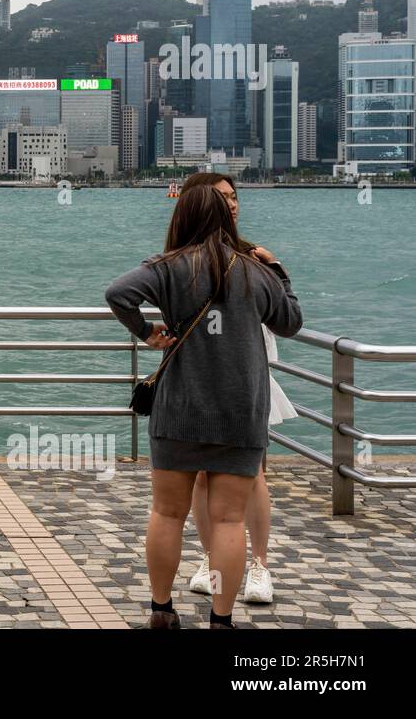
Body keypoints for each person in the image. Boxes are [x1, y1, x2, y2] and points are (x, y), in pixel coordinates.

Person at [105, 184, 301, 628]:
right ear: (227, 218)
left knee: (166, 513)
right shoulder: (255, 271)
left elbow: (118, 292)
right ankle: (221, 618)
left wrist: (146, 332)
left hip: (179, 410)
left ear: (182, 217)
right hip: (240, 411)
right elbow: (290, 322)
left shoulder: (168, 268)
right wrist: (280, 271)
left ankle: (161, 610)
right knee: (230, 520)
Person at [180, 173, 295, 605]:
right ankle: (212, 561)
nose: (232, 204)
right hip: (200, 378)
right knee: (203, 475)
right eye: (222, 197)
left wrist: (278, 269)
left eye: (235, 196)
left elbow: (284, 316)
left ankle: (260, 566)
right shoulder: (183, 260)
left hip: (247, 376)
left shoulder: (252, 256)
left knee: (253, 474)